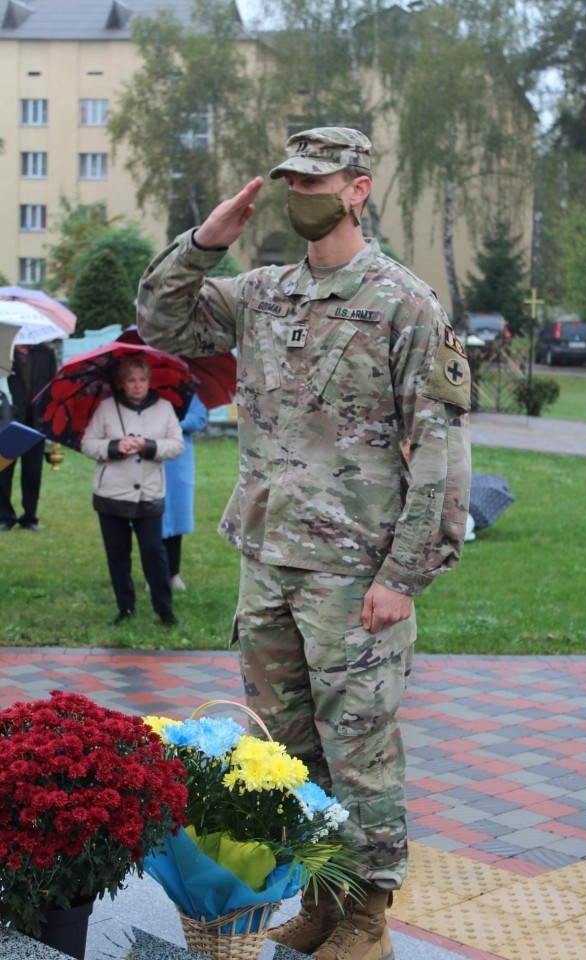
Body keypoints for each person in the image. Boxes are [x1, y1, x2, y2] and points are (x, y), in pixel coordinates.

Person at [137, 127, 471, 960]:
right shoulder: (263, 292)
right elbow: (161, 318)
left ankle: (368, 918)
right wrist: (206, 240)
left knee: (360, 745)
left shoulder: (406, 302)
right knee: (288, 748)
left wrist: (405, 574)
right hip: (269, 560)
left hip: (357, 572)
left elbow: (439, 452)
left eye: (316, 181)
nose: (299, 195)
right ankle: (323, 898)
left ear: (358, 189)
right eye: (291, 180)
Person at [81, 356, 184, 627]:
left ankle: (164, 609)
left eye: (142, 379)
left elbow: (177, 445)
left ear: (149, 382)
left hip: (149, 493)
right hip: (111, 494)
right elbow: (88, 444)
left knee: (154, 552)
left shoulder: (164, 408)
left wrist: (148, 446)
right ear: (121, 383)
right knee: (117, 554)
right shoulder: (106, 408)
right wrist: (114, 447)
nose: (137, 385)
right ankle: (125, 607)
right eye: (131, 380)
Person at [0, 342, 57, 531]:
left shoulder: (46, 353)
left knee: (33, 472)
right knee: (3, 472)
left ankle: (30, 517)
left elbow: (53, 386)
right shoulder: (3, 352)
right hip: (8, 421)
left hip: (36, 421)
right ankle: (5, 517)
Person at [161, 391, 208, 590]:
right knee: (153, 518)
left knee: (176, 517)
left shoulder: (191, 392)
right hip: (150, 459)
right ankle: (154, 574)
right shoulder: (150, 392)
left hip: (179, 460)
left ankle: (173, 573)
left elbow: (198, 418)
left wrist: (172, 426)